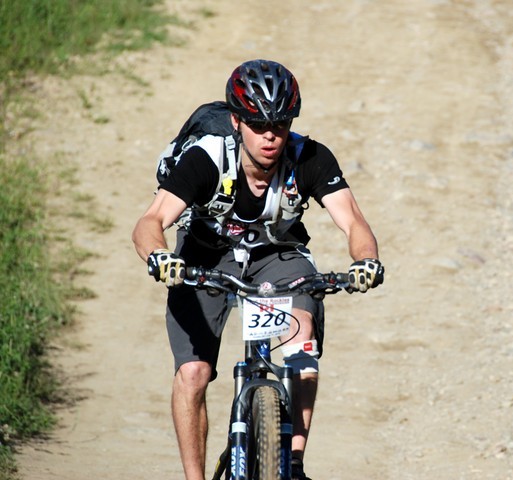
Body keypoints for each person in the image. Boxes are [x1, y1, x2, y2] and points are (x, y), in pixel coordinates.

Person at [132, 59, 383, 480]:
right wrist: (160, 256)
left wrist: (366, 261)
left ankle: (294, 463)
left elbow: (354, 221)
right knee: (193, 373)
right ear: (236, 121)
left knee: (302, 343)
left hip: (276, 253)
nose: (270, 136)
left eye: (280, 125)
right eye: (258, 124)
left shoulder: (309, 157)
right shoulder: (207, 158)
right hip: (204, 256)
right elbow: (151, 220)